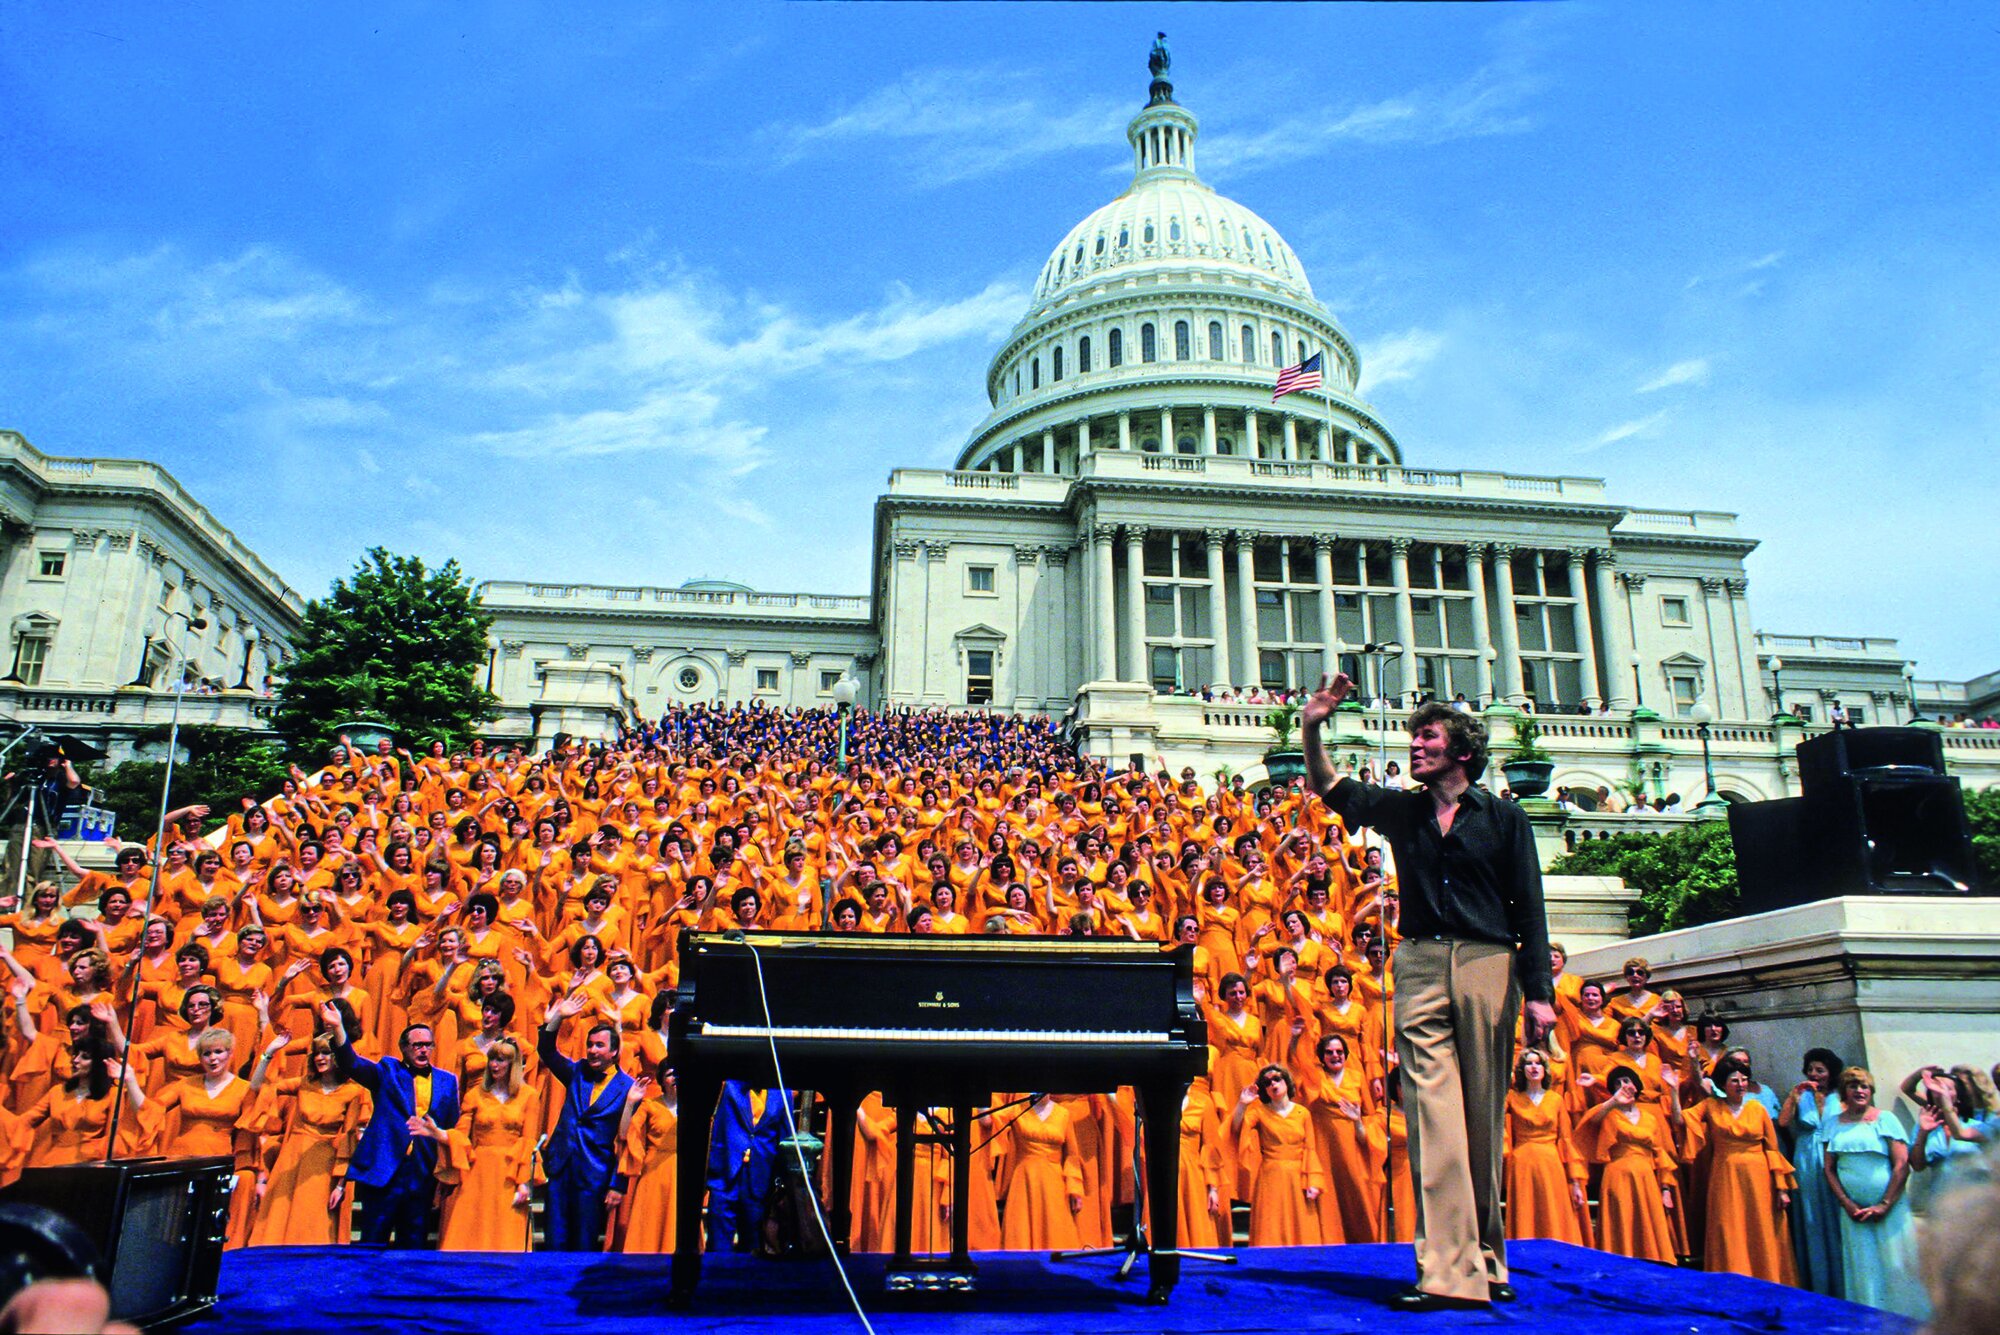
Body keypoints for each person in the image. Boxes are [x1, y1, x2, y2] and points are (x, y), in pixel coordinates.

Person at [1302, 678, 1556, 1311]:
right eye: (1415, 736)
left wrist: (1540, 994)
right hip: (1417, 963)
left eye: (1428, 737)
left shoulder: (1505, 818)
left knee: (1480, 1117)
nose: (1415, 745)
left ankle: (1487, 1258)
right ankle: (1447, 1272)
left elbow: (1530, 907)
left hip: (1486, 963)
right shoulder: (1403, 810)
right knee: (1432, 1119)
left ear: (1462, 751)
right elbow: (1329, 787)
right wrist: (1312, 725)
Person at [330, 1006, 462, 1247]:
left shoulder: (447, 1081)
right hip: (386, 1170)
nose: (423, 1050)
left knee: (414, 1246)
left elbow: (452, 1126)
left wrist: (445, 1173)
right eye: (417, 1045)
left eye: (428, 1045)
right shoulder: (388, 1071)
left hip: (422, 1173)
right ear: (404, 1048)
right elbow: (352, 1064)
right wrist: (339, 1028)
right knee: (372, 1242)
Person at [1822, 1065, 1927, 1319]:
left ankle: (1909, 1321)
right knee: (1864, 1267)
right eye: (1853, 1085)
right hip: (1854, 1212)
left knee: (1895, 1263)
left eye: (1864, 1086)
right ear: (1844, 1092)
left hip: (1889, 1209)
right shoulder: (1832, 1123)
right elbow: (1829, 1169)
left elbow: (1902, 1165)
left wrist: (1885, 1204)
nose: (1859, 1090)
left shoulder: (1886, 1119)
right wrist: (1846, 1203)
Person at [537, 992, 636, 1250]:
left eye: (599, 1045)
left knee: (584, 1244)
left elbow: (628, 1143)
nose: (592, 1050)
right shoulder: (577, 1071)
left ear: (615, 1051)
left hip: (595, 1173)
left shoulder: (628, 1088)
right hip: (561, 1166)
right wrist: (557, 1018)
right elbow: (546, 1051)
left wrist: (618, 1183)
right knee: (554, 1241)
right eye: (590, 1044)